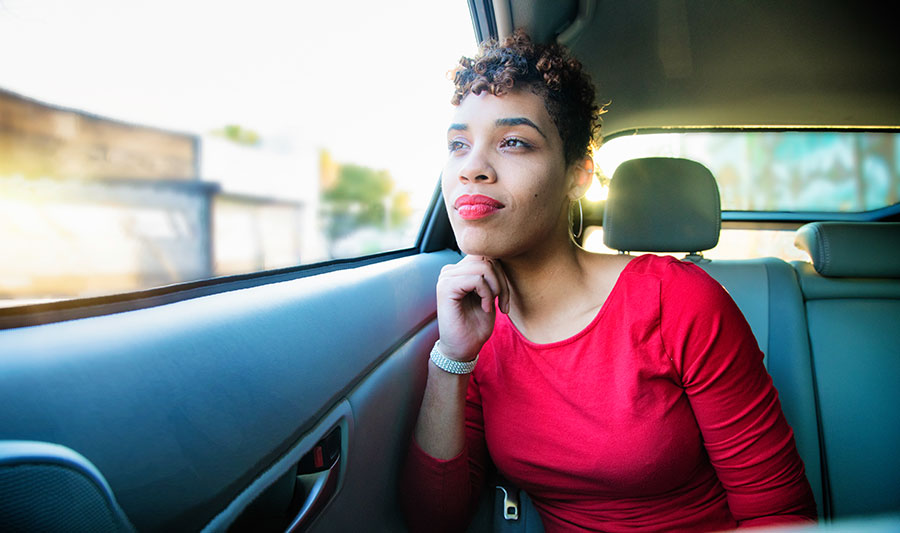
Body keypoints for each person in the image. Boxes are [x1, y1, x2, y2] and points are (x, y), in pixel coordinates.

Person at [400, 30, 816, 532]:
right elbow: (435, 521)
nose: (472, 169)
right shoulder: (472, 324)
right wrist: (453, 358)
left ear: (578, 174)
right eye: (458, 145)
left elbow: (778, 515)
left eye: (513, 142)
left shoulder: (679, 301)